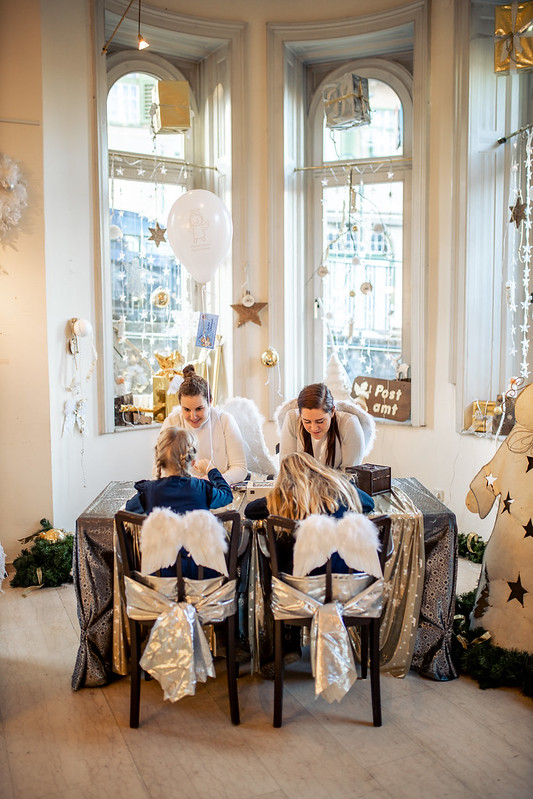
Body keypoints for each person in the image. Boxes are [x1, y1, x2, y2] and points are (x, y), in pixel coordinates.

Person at [126, 427, 233, 576]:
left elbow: (128, 510)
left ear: (159, 459)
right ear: (192, 460)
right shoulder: (201, 489)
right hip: (203, 581)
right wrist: (211, 470)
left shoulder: (149, 491)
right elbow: (227, 495)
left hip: (161, 581)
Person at [245, 451, 374, 573]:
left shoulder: (282, 497)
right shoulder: (339, 488)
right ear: (316, 467)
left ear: (284, 477)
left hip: (299, 580)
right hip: (348, 574)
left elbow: (250, 510)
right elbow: (369, 503)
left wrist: (274, 494)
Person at [158, 364, 247, 485]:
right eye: (186, 410)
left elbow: (240, 468)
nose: (193, 416)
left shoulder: (225, 421)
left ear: (210, 401)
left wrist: (215, 480)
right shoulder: (172, 422)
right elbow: (160, 468)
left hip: (218, 490)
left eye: (199, 409)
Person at [278, 382, 375, 471]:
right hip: (302, 486)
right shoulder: (292, 419)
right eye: (307, 421)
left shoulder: (349, 424)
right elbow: (288, 469)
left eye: (320, 421)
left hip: (339, 486)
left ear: (332, 411)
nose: (314, 428)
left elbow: (349, 473)